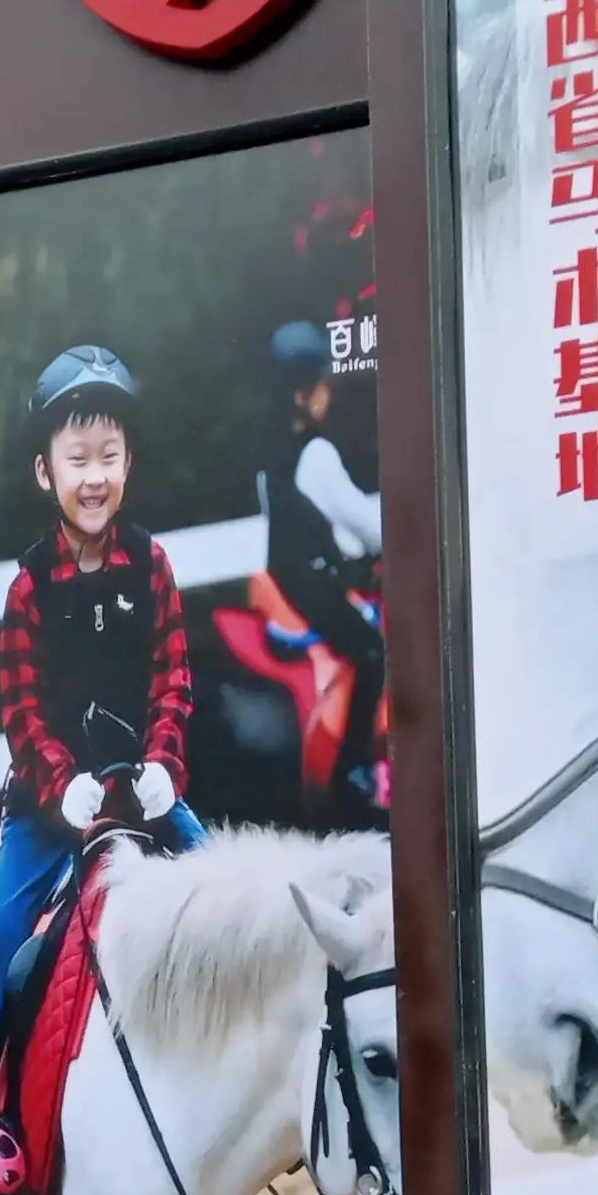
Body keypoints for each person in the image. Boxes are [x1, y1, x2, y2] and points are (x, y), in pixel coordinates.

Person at [0, 345, 202, 1195]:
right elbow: (22, 715)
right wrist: (60, 786)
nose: (93, 478)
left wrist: (166, 766)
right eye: (76, 460)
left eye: (108, 457)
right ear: (44, 470)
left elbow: (173, 677)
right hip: (53, 810)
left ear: (128, 461)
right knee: (5, 931)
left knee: (217, 888)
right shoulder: (28, 590)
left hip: (143, 794)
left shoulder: (154, 567)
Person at [259, 318, 385, 821]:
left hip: (286, 579)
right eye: (320, 384)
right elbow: (363, 520)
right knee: (372, 650)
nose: (327, 393)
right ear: (301, 391)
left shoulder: (273, 458)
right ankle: (354, 767)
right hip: (310, 584)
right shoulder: (316, 453)